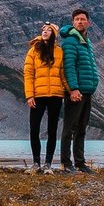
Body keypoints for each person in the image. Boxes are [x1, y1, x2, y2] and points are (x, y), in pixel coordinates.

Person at [58, 8, 99, 172]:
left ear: (88, 22)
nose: (80, 22)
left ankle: (80, 163)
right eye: (77, 19)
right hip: (76, 92)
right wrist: (73, 89)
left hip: (87, 91)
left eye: (83, 19)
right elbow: (69, 67)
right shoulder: (70, 41)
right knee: (69, 128)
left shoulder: (86, 41)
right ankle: (67, 164)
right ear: (73, 22)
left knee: (81, 128)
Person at [23, 22, 68, 172]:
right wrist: (30, 95)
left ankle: (48, 164)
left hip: (55, 95)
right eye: (44, 29)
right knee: (34, 129)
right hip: (38, 95)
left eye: (49, 30)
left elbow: (63, 75)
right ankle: (36, 163)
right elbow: (28, 74)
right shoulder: (33, 51)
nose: (45, 32)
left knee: (52, 130)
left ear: (54, 34)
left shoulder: (60, 52)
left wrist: (71, 90)